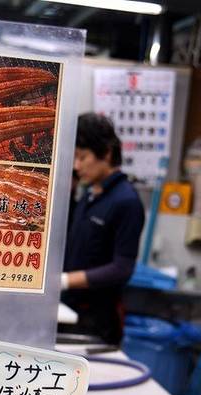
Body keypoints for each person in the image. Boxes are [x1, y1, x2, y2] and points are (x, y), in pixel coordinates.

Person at [61, 113, 145, 345]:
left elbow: (122, 268)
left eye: (83, 157)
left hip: (98, 321)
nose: (77, 166)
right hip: (70, 309)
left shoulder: (126, 201)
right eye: (75, 158)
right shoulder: (90, 194)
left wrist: (66, 280)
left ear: (106, 153)